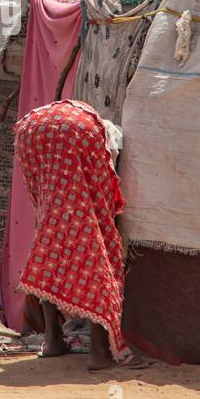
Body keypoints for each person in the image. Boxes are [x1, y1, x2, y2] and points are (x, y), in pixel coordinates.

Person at [14, 99, 144, 371]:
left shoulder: (51, 146)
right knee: (100, 263)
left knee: (47, 260)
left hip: (34, 132)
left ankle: (52, 340)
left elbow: (38, 183)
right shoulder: (100, 139)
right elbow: (107, 183)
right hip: (75, 145)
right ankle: (98, 352)